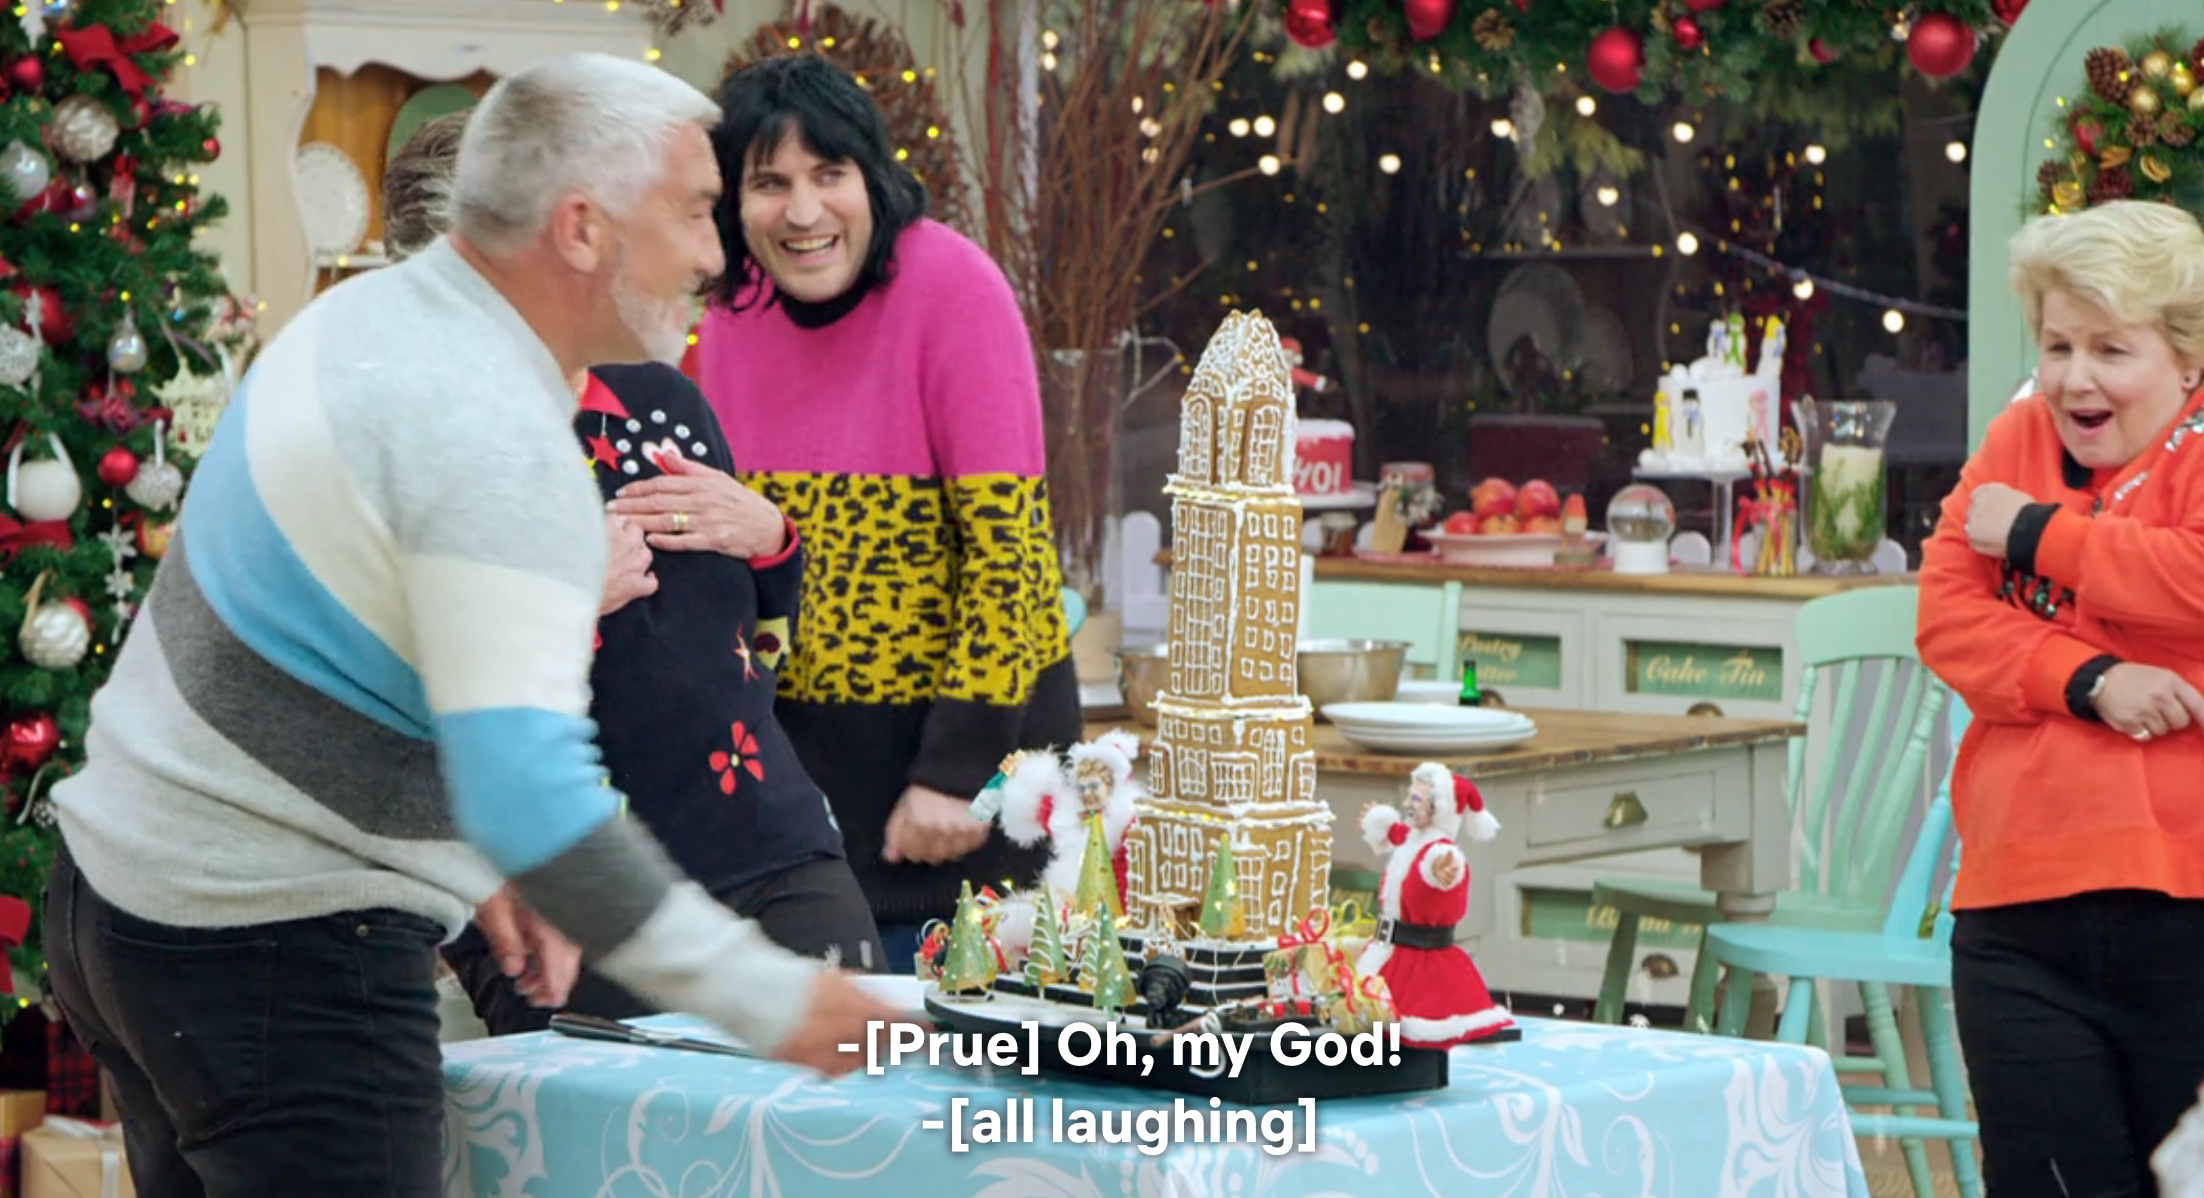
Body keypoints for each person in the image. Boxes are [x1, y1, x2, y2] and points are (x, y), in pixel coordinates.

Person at [40, 53, 907, 1198]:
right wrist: (775, 1002)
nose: (714, 254)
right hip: (273, 937)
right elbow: (523, 782)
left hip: (124, 899)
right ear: (577, 231)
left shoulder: (365, 340)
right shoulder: (486, 427)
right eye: (690, 213)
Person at [383, 110, 885, 1035]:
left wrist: (774, 542)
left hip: (773, 851)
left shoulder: (662, 401)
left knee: (868, 1109)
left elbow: (756, 642)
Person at [689, 53, 1081, 969]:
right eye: (770, 183)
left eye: (829, 174)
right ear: (734, 203)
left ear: (873, 178)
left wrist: (956, 776)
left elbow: (1013, 561)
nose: (804, 211)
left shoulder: (956, 289)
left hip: (964, 794)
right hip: (806, 811)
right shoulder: (730, 316)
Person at [1917, 198, 2204, 1198]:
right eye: (2056, 345)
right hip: (2018, 913)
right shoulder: (2015, 439)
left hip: (2187, 910)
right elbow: (1947, 616)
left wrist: (2036, 535)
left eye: (2110, 349)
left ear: (2186, 360)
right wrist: (2089, 680)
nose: (2075, 378)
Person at [1355, 764, 1515, 1048]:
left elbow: (1439, 866)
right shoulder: (1414, 839)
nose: (1407, 804)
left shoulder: (1440, 852)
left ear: (1437, 809)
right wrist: (1378, 821)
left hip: (1417, 966)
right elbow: (1396, 833)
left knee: (1410, 1025)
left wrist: (1440, 872)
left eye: (1415, 799)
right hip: (1390, 954)